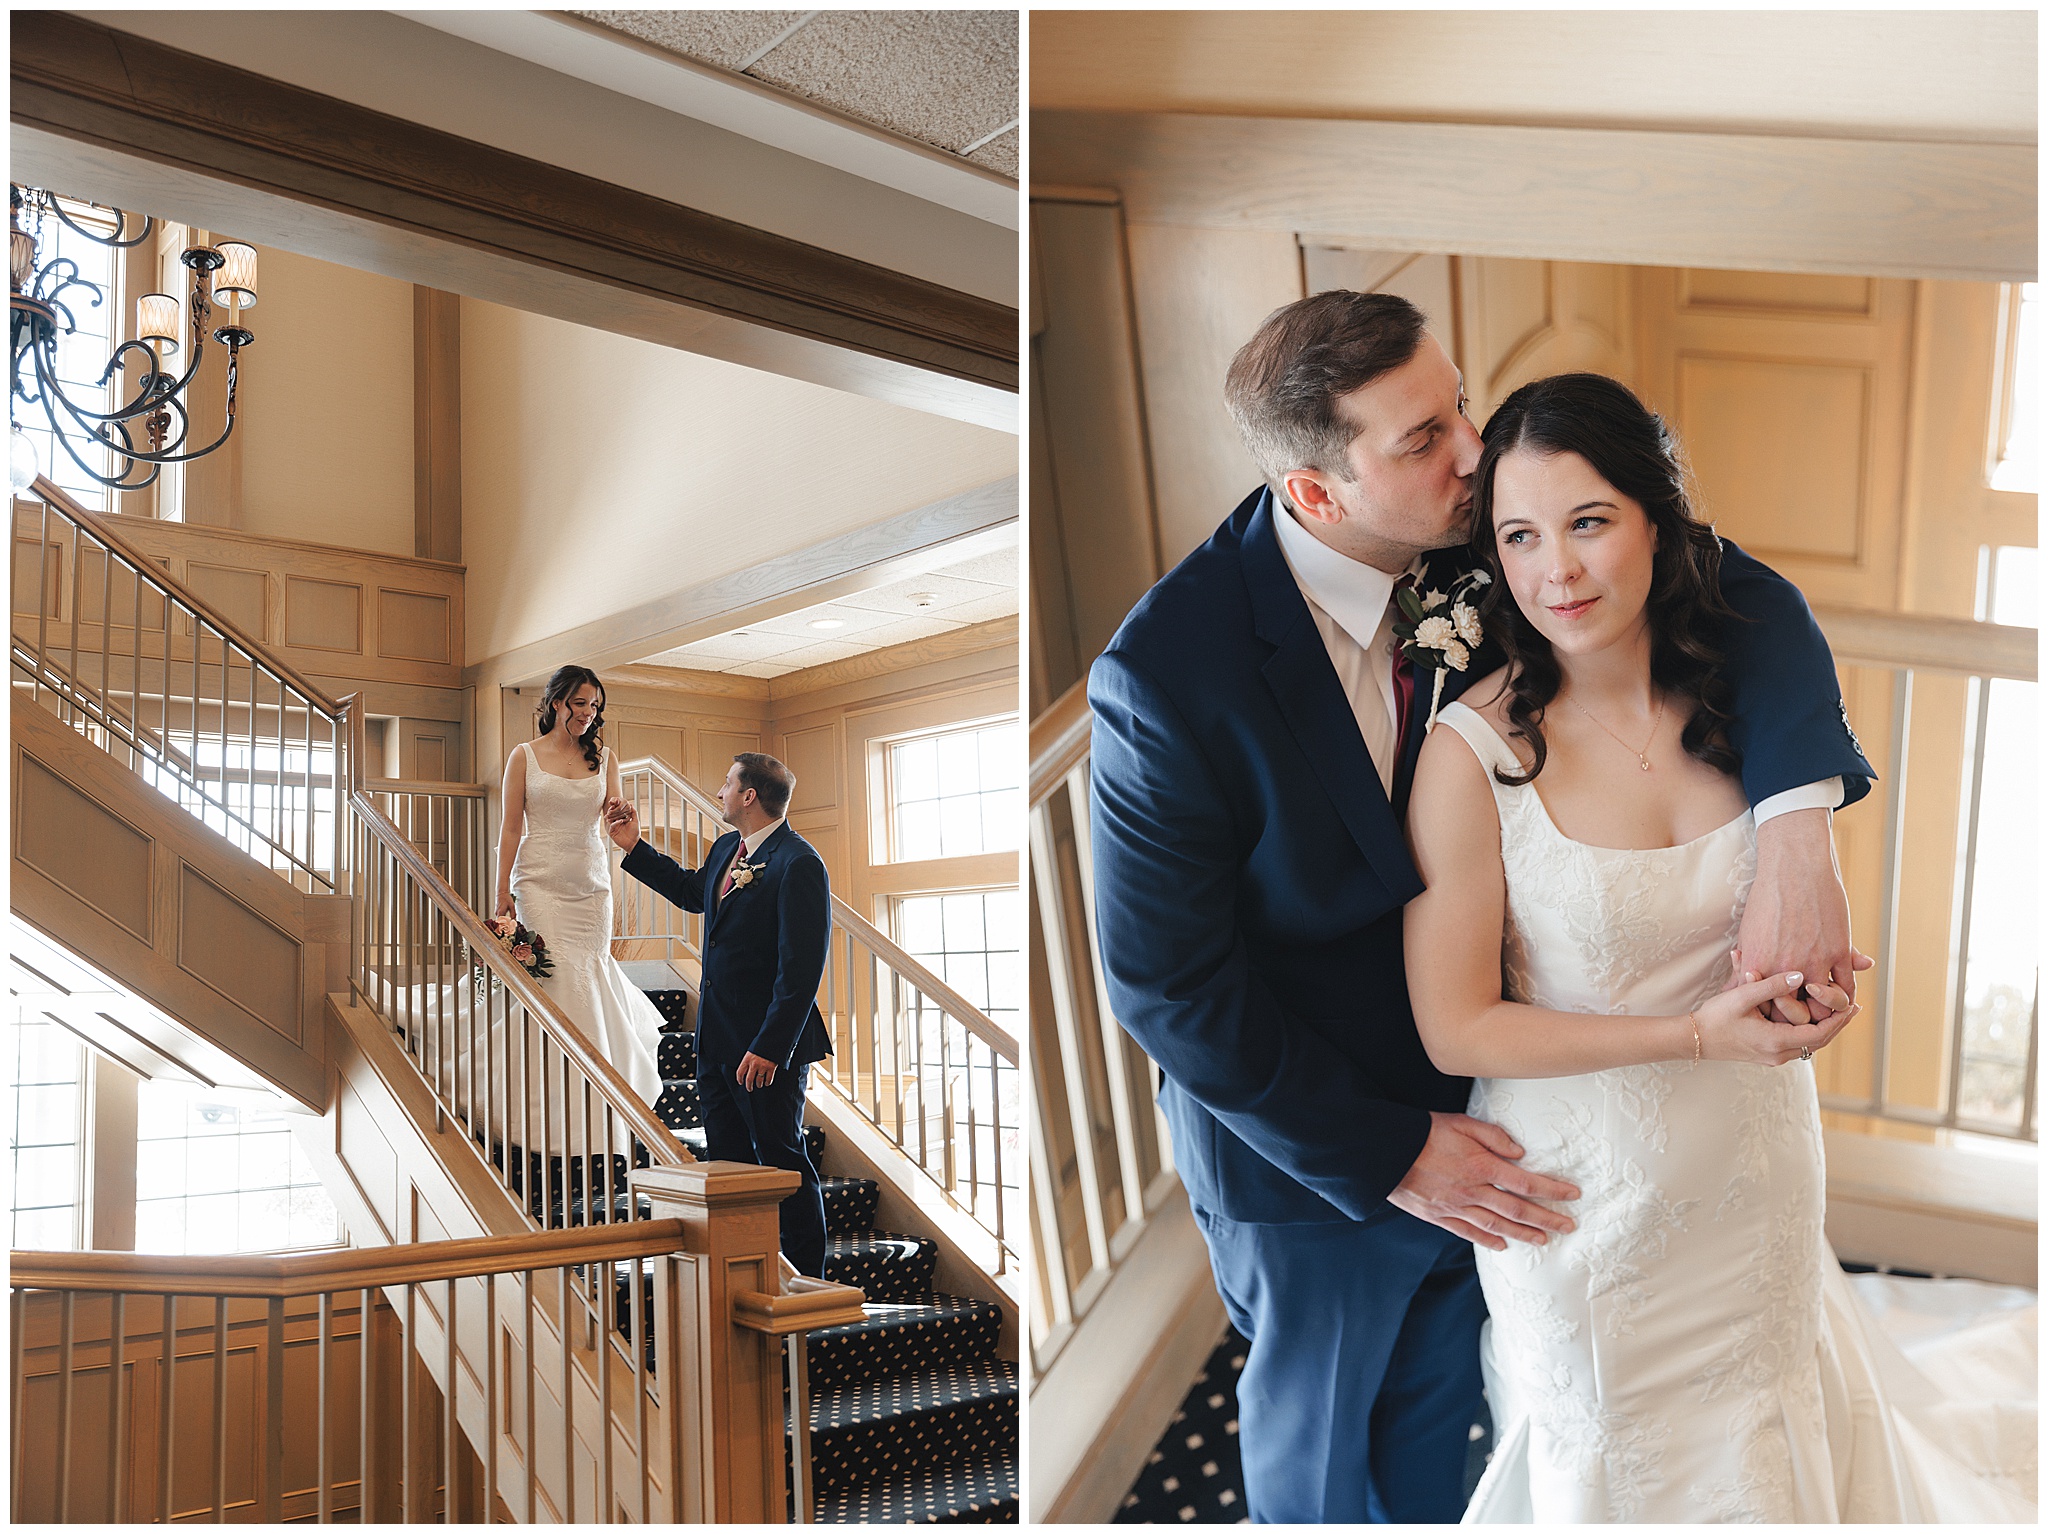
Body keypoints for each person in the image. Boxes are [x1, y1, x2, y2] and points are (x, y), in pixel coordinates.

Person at [1087, 290, 1874, 1523]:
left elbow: (1734, 590)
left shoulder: (1483, 526)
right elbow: (1163, 981)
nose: (1470, 448)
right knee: (1319, 1461)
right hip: (1319, 1151)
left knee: (1444, 1427)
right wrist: (1390, 1151)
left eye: (1454, 402)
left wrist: (1794, 826)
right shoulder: (1167, 674)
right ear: (1315, 493)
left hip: (1519, 1112)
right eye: (1422, 438)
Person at [1404, 372, 2036, 1522]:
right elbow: (1457, 1022)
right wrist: (1693, 1035)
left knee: (1769, 1426)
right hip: (1577, 1206)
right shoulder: (1471, 756)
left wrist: (1797, 1001)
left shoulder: (1745, 702)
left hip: (1754, 1171)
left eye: (1589, 521)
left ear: (1659, 520)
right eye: (1519, 536)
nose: (1557, 571)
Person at [603, 752, 833, 1276]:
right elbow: (691, 893)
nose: (719, 789)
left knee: (783, 1160)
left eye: (727, 783)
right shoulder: (728, 846)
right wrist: (634, 847)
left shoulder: (800, 864)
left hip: (767, 1050)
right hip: (716, 1041)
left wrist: (771, 1048)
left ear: (749, 796)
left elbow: (800, 972)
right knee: (728, 1165)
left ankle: (808, 1283)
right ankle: (747, 1273)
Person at [493, 665, 662, 1108]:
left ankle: (599, 1087)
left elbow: (612, 821)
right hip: (538, 883)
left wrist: (622, 813)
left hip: (591, 886)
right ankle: (550, 1087)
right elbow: (511, 829)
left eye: (595, 706)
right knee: (556, 973)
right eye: (581, 703)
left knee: (588, 972)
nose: (589, 713)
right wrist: (501, 891)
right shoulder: (523, 756)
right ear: (557, 703)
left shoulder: (605, 759)